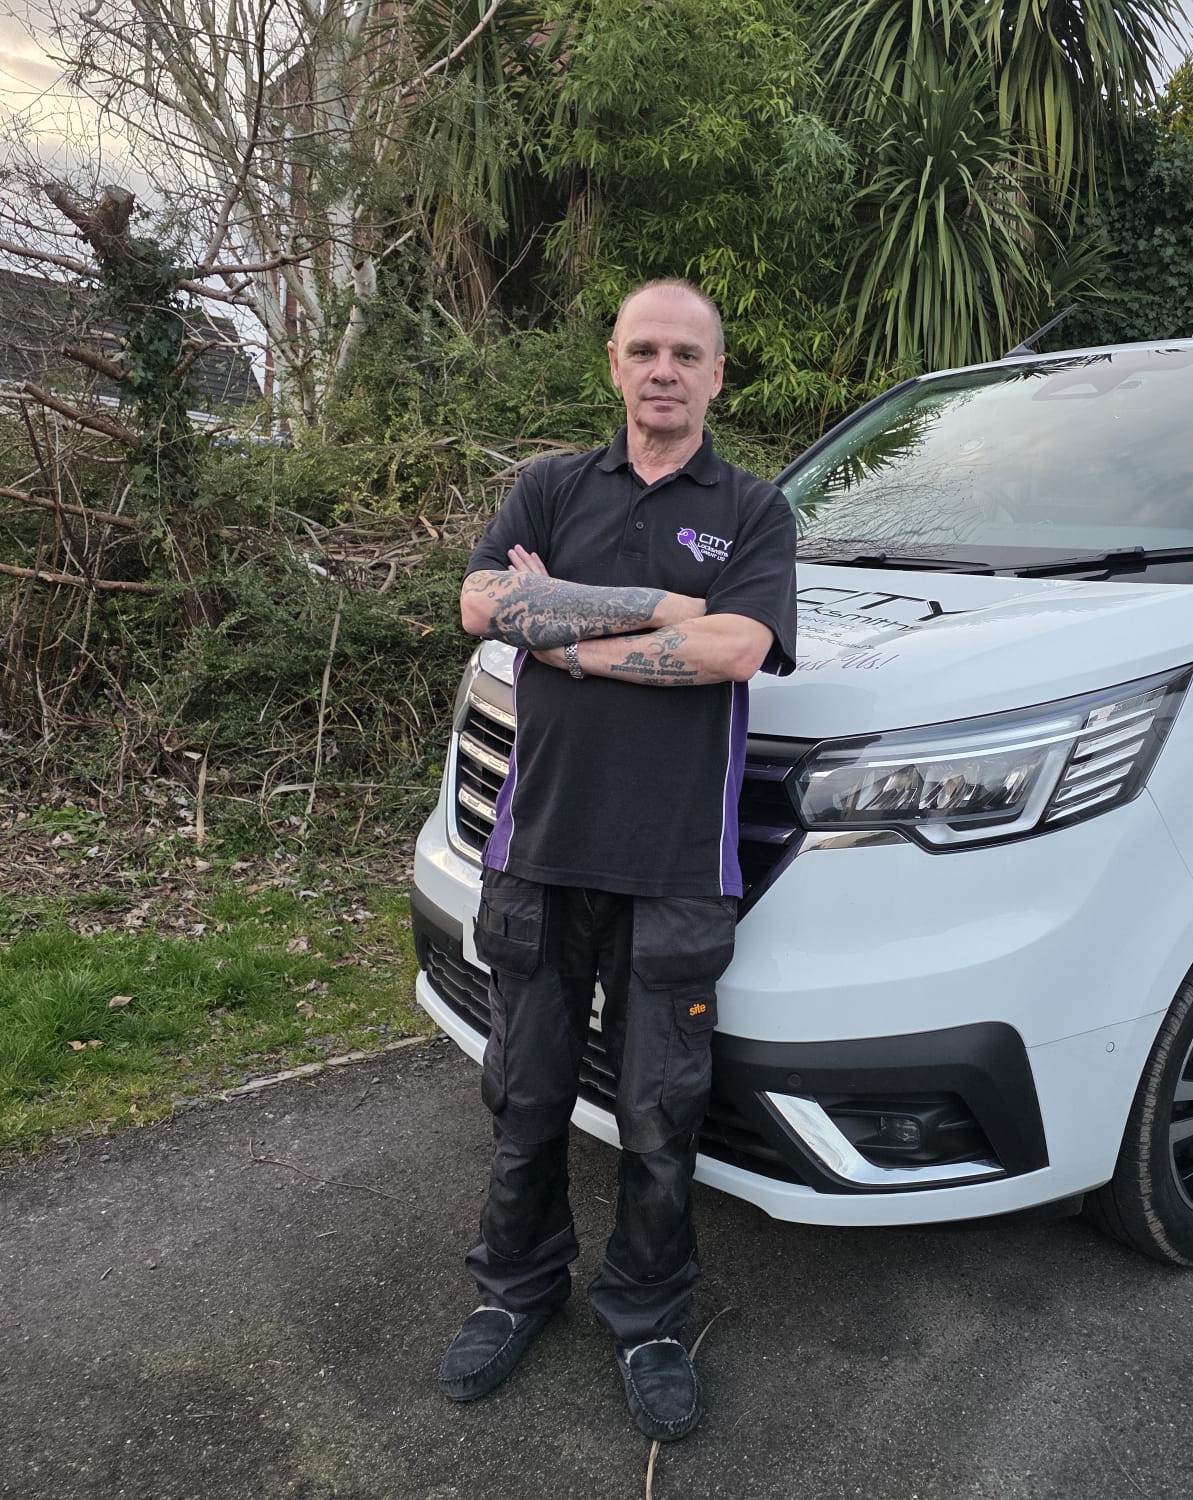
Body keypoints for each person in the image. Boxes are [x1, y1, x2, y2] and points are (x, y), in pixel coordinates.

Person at [439, 280, 797, 1439]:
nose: (662, 370)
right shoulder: (548, 485)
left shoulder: (752, 510)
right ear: (613, 363)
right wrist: (658, 609)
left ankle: (647, 1320)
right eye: (643, 349)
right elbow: (479, 603)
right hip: (537, 852)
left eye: (685, 353)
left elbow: (733, 647)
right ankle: (513, 1291)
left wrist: (563, 624)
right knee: (525, 1097)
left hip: (675, 870)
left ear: (715, 375)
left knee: (657, 1117)